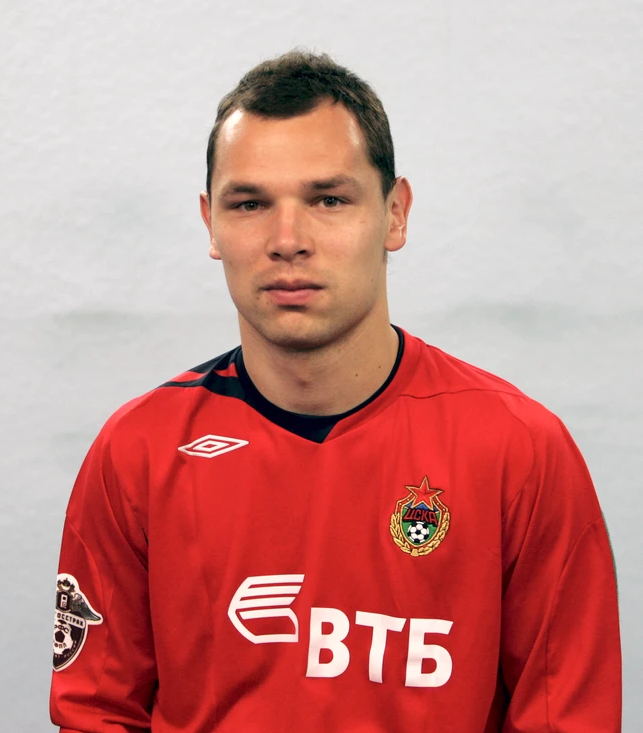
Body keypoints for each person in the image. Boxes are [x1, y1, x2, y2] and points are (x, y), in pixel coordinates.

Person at [50, 51, 621, 732]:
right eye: (250, 203)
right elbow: (95, 712)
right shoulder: (138, 451)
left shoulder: (519, 451)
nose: (288, 240)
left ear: (395, 214)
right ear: (211, 224)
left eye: (328, 199)